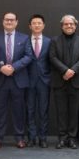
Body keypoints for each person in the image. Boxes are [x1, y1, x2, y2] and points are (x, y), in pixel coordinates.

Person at [0, 12, 32, 149]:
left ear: (16, 22)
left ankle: (20, 138)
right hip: (0, 79)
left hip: (17, 79)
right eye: (7, 20)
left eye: (12, 20)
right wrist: (1, 68)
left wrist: (14, 67)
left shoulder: (24, 38)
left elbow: (28, 56)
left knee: (19, 110)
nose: (9, 22)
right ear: (3, 22)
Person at [49, 15, 79, 149]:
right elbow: (52, 57)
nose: (69, 26)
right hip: (59, 81)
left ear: (75, 26)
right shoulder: (54, 40)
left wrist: (72, 71)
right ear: (62, 26)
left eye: (71, 24)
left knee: (74, 112)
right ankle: (62, 138)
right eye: (66, 24)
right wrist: (65, 71)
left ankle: (72, 138)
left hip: (76, 81)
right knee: (61, 112)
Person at [26, 14, 51, 148]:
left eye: (39, 23)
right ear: (30, 26)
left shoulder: (49, 42)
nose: (36, 25)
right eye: (34, 23)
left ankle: (43, 138)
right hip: (28, 80)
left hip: (44, 81)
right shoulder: (25, 41)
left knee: (43, 111)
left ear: (43, 25)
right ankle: (31, 137)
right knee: (29, 110)